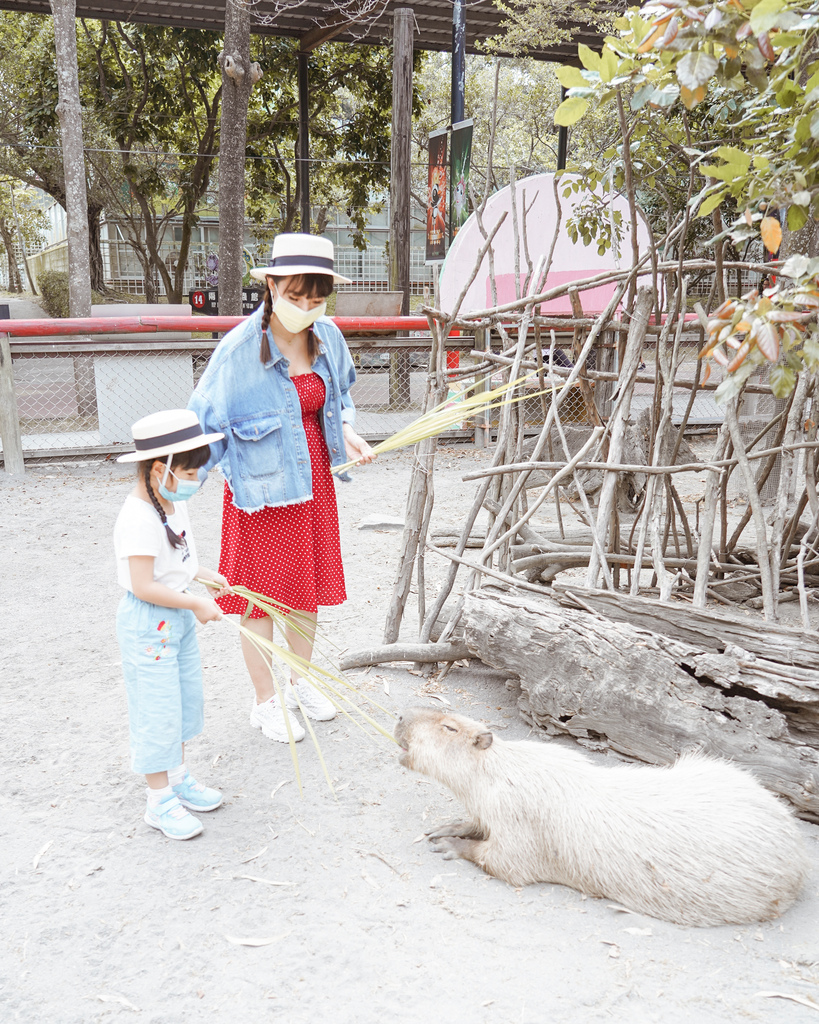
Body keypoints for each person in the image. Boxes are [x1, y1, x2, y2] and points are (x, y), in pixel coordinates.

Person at [188, 233, 375, 744]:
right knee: (259, 601)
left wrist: (350, 433)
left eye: (316, 300)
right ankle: (265, 702)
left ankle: (301, 683)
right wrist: (167, 499)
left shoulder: (328, 336)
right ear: (270, 285)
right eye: (295, 297)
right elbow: (201, 426)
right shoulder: (237, 352)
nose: (306, 309)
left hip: (315, 481)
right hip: (261, 493)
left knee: (304, 595)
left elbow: (339, 399)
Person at [114, 409, 231, 841]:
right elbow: (144, 585)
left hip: (177, 617)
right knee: (155, 710)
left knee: (181, 701)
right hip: (150, 624)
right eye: (189, 471)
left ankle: (178, 777)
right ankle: (158, 800)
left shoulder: (171, 501)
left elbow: (176, 558)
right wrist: (195, 602)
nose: (195, 479)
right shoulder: (137, 518)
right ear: (160, 469)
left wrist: (202, 574)